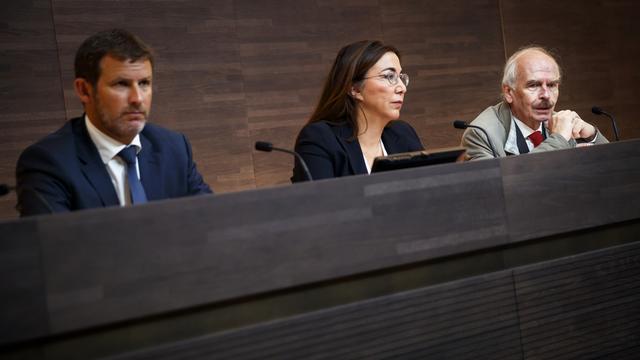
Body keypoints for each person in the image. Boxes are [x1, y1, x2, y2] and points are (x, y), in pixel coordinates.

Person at [16, 29, 211, 216]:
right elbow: (56, 247)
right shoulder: (48, 163)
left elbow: (213, 221)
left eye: (144, 83)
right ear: (84, 90)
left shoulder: (174, 148)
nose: (137, 99)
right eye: (121, 84)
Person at [291, 40, 424, 182]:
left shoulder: (403, 133)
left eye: (400, 77)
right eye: (389, 76)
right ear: (355, 89)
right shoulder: (320, 139)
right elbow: (320, 202)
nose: (402, 88)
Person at [461, 45, 608, 160]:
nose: (545, 95)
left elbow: (611, 169)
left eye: (551, 85)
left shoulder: (561, 122)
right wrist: (559, 139)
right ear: (508, 92)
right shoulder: (481, 134)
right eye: (533, 85)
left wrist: (592, 135)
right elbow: (500, 187)